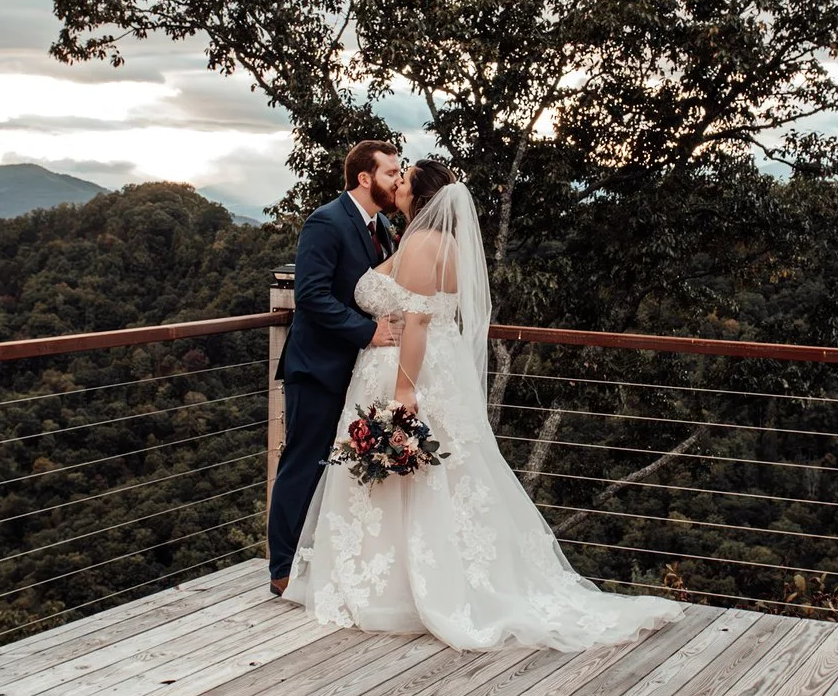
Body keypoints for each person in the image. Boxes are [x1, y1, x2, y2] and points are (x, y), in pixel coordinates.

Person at [283, 157, 684, 650]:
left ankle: (398, 588)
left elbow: (418, 321)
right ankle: (412, 578)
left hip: (408, 369)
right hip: (428, 367)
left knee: (414, 476)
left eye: (404, 179)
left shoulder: (422, 244)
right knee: (439, 476)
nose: (398, 183)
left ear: (420, 195)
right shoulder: (430, 241)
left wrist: (405, 390)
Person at [267, 140, 405, 597]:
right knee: (304, 464)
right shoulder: (326, 221)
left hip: (360, 371)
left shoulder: (383, 226)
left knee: (340, 467)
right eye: (390, 173)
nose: (397, 180)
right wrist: (367, 333)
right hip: (318, 367)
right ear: (365, 178)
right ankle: (282, 569)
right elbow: (311, 295)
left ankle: (320, 560)